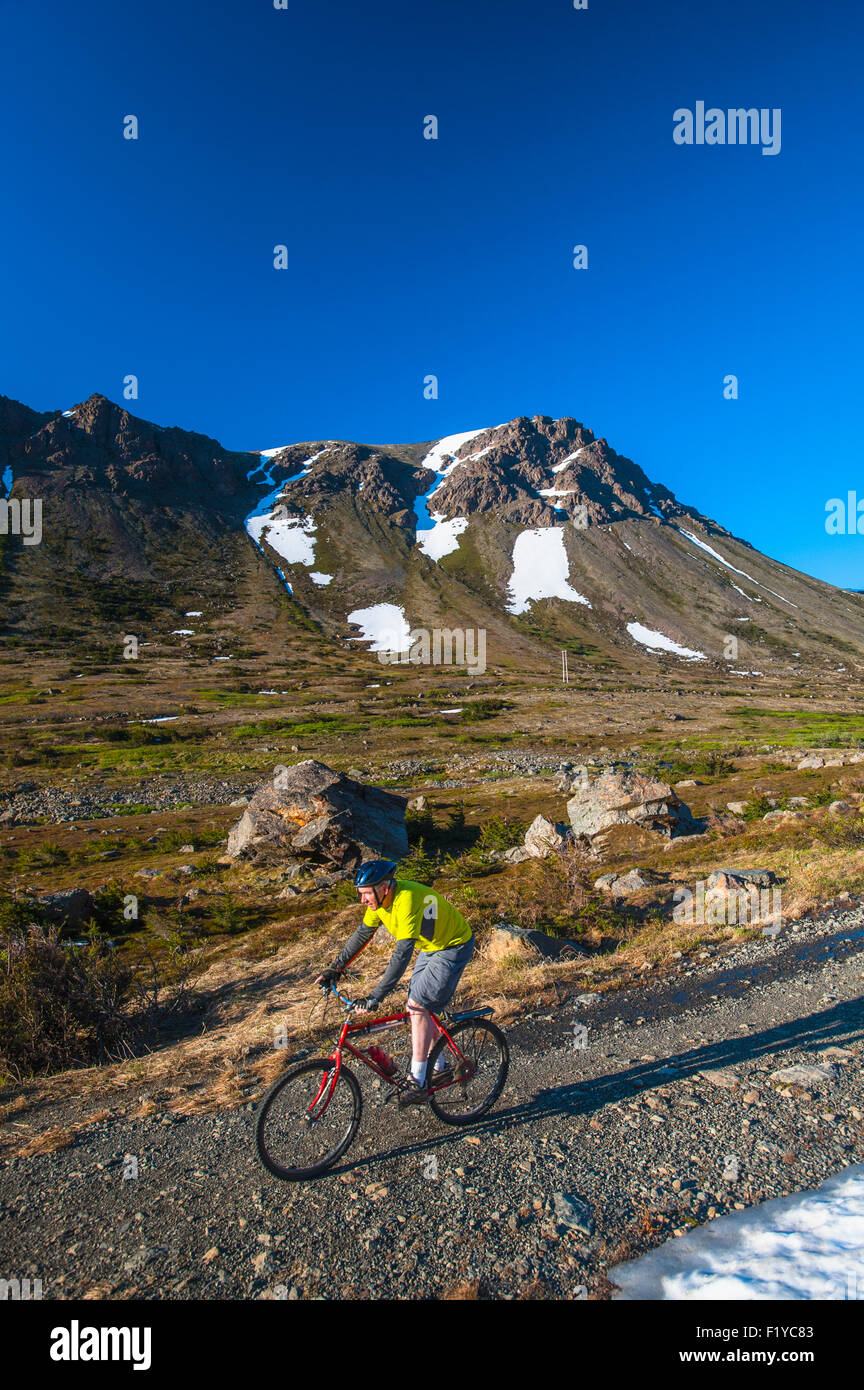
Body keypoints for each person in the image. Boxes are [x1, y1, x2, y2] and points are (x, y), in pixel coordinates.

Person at [315, 859, 474, 1106]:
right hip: (431, 947)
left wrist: (376, 996)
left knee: (418, 1005)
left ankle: (418, 1081)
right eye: (361, 894)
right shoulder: (379, 904)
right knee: (416, 1008)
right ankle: (439, 1066)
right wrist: (334, 969)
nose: (363, 900)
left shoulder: (406, 899)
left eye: (367, 894)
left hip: (453, 945)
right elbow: (362, 935)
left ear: (384, 888)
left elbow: (402, 955)